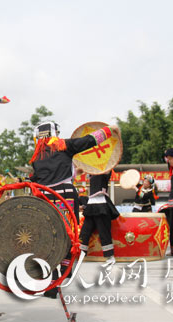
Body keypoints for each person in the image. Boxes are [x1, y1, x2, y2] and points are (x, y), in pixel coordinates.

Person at [29, 121, 120, 297]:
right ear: (54, 133)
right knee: (68, 236)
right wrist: (110, 130)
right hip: (65, 197)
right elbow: (90, 140)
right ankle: (65, 270)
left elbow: (42, 177)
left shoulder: (37, 157)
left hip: (45, 199)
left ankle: (51, 281)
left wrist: (72, 172)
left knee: (48, 237)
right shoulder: (63, 145)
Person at [79, 171, 120, 267]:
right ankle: (80, 254)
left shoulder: (104, 172)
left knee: (104, 232)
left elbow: (109, 168)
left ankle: (110, 257)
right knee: (84, 232)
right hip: (91, 204)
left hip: (101, 203)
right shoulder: (92, 173)